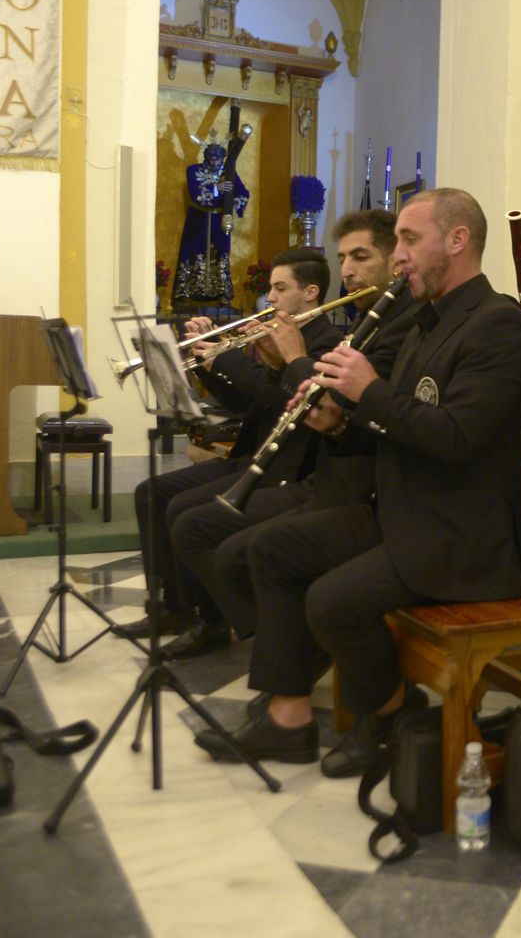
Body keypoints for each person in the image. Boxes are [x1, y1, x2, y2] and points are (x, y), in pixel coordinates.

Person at [193, 187, 521, 775]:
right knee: (273, 550)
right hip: (403, 510)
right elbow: (388, 430)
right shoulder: (428, 323)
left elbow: (456, 440)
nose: (398, 256)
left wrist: (368, 390)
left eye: (409, 239)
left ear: (457, 241)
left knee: (333, 599)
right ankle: (289, 719)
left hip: (460, 532)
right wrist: (334, 421)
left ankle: (393, 714)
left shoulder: (497, 324)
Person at [158, 210, 405, 660]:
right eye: (343, 257)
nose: (347, 270)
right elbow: (259, 403)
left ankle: (273, 642)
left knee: (210, 530)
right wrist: (237, 363)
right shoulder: (362, 329)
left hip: (318, 476)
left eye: (360, 256)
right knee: (171, 503)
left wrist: (286, 360)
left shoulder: (338, 334)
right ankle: (249, 634)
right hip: (289, 461)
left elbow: (327, 407)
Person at [116, 247, 343, 643]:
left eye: (280, 288)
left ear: (310, 293)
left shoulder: (328, 342)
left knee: (185, 509)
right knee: (151, 492)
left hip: (285, 468)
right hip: (249, 454)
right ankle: (174, 607)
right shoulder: (274, 334)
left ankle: (214, 620)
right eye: (270, 287)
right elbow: (244, 403)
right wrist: (209, 362)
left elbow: (289, 405)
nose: (269, 297)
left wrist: (231, 360)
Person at [173, 132, 249, 306]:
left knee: (221, 254)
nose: (215, 163)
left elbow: (243, 192)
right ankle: (185, 293)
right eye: (212, 159)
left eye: (219, 160)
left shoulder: (229, 172)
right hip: (198, 220)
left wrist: (236, 201)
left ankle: (222, 293)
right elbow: (196, 193)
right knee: (192, 252)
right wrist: (217, 188)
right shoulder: (194, 170)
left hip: (219, 221)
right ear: (206, 158)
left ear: (223, 159)